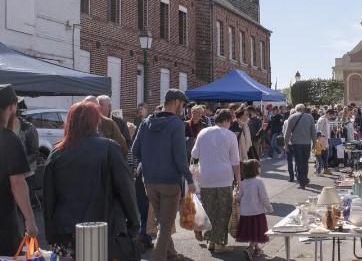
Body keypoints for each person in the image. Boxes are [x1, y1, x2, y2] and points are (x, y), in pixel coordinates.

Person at [43, 101, 139, 259]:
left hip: (67, 233)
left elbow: (49, 198)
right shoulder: (109, 148)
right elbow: (126, 189)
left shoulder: (57, 153)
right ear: (95, 122)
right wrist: (134, 224)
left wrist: (51, 234)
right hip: (103, 230)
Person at [132, 89, 196, 261]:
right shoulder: (176, 124)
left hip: (149, 180)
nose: (183, 108)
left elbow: (135, 150)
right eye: (182, 105)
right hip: (169, 182)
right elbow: (180, 158)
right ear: (175, 102)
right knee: (166, 225)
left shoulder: (146, 122)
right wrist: (190, 181)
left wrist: (148, 162)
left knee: (162, 221)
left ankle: (172, 255)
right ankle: (158, 258)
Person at [191, 109, 241, 254]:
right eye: (230, 122)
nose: (230, 124)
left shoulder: (203, 132)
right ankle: (219, 243)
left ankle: (211, 241)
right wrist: (238, 180)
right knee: (223, 211)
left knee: (209, 209)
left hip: (205, 176)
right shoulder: (230, 135)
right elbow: (235, 161)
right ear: (226, 120)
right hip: (224, 177)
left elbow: (194, 154)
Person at [0, 84, 38, 256]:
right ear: (12, 106)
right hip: (3, 224)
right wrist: (30, 221)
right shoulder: (9, 140)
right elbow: (17, 183)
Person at [236, 159, 273, 260]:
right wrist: (270, 209)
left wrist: (236, 198)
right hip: (257, 212)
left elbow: (239, 197)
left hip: (245, 213)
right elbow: (264, 197)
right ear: (255, 170)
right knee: (257, 232)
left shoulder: (243, 183)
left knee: (251, 231)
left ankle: (256, 249)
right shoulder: (259, 182)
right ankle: (250, 248)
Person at [284, 104, 317, 189]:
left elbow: (287, 133)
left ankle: (302, 182)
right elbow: (313, 131)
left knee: (299, 163)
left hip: (296, 143)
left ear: (296, 109)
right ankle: (304, 179)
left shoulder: (291, 117)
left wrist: (286, 144)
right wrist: (314, 143)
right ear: (304, 109)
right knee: (305, 162)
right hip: (307, 143)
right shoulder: (310, 117)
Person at [316, 109, 334, 175]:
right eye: (331, 115)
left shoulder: (326, 119)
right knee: (323, 155)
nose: (331, 117)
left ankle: (325, 168)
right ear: (328, 113)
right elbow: (318, 130)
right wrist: (320, 139)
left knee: (327, 154)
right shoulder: (322, 119)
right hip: (322, 140)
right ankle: (320, 168)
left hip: (326, 139)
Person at [283, 109, 296, 182]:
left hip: (288, 143)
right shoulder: (297, 122)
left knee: (289, 161)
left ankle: (291, 177)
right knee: (297, 160)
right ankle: (297, 174)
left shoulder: (286, 122)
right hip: (296, 143)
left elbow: (284, 132)